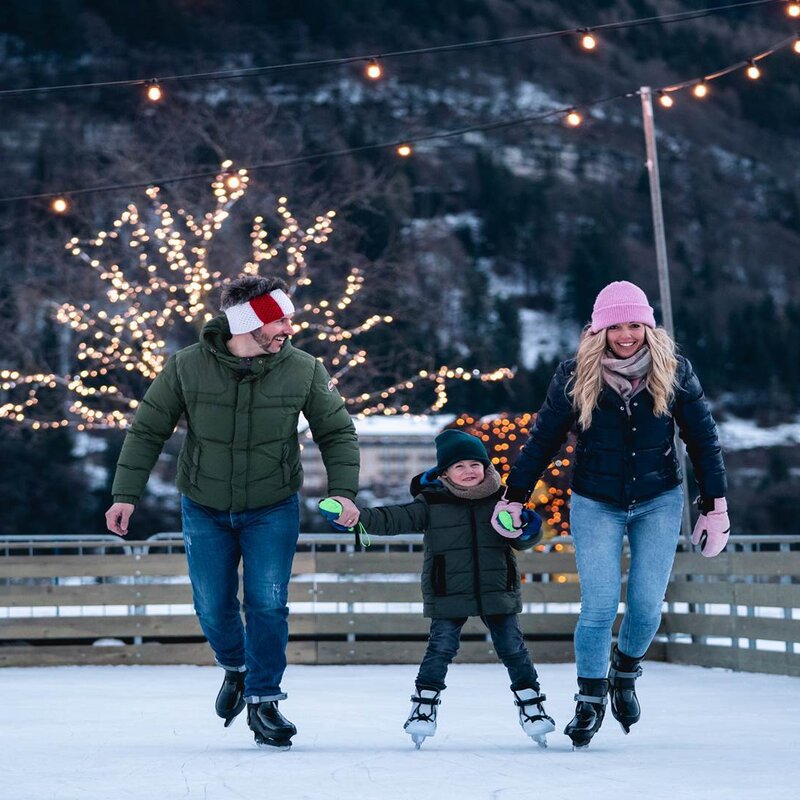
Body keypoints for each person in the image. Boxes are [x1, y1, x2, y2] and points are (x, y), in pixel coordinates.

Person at [105, 275, 360, 749]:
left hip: (272, 504)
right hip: (203, 503)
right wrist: (126, 494)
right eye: (279, 319)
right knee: (212, 604)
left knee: (267, 603)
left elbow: (337, 432)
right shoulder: (186, 366)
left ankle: (265, 701)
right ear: (249, 322)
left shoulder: (303, 369)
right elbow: (147, 431)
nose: (288, 327)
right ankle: (237, 668)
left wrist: (344, 491)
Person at [492, 280, 729, 749]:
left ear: (648, 326)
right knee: (599, 607)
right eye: (615, 326)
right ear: (599, 330)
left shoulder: (675, 370)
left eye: (634, 325)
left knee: (644, 607)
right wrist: (513, 495)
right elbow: (544, 439)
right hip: (595, 501)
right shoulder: (574, 373)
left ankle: (624, 670)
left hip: (659, 501)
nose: (626, 335)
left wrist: (714, 504)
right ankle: (589, 698)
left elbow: (703, 440)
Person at [331, 429, 555, 749]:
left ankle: (532, 706)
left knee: (513, 648)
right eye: (459, 466)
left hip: (496, 587)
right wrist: (356, 518)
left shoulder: (503, 500)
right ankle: (424, 707)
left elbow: (521, 537)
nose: (468, 471)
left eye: (474, 464)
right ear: (444, 472)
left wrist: (530, 527)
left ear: (486, 466)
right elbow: (393, 518)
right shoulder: (431, 502)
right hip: (448, 588)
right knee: (441, 649)